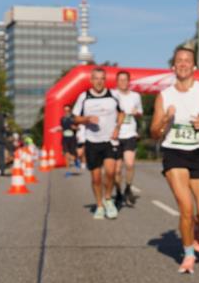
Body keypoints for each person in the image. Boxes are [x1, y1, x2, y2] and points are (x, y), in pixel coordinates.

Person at [150, 43, 199, 274]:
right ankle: (188, 254)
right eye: (179, 60)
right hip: (174, 152)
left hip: (198, 153)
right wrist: (166, 119)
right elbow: (154, 132)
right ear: (173, 66)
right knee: (185, 207)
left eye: (187, 60)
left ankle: (195, 226)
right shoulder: (164, 96)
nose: (183, 64)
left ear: (194, 66)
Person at [72, 67, 124, 220]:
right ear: (91, 80)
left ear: (105, 80)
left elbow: (122, 113)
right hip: (92, 141)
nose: (99, 81)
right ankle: (99, 205)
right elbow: (75, 118)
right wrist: (87, 119)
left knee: (110, 172)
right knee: (96, 178)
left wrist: (117, 127)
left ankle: (108, 199)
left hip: (109, 140)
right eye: (96, 78)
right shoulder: (84, 97)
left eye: (102, 78)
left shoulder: (113, 95)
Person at [112, 70, 143, 207]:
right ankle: (118, 193)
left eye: (125, 80)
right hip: (116, 135)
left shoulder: (135, 96)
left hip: (130, 133)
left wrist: (137, 113)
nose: (123, 82)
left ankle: (128, 188)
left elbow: (140, 112)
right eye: (120, 80)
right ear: (117, 81)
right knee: (117, 170)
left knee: (130, 164)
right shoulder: (112, 95)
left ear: (129, 81)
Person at [56, 104, 79, 173]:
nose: (66, 112)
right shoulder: (62, 119)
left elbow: (78, 127)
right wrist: (59, 129)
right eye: (65, 110)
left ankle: (74, 160)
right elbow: (62, 127)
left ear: (70, 110)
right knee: (65, 152)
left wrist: (75, 128)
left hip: (72, 138)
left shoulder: (74, 118)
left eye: (68, 110)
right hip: (65, 137)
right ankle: (68, 169)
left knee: (73, 154)